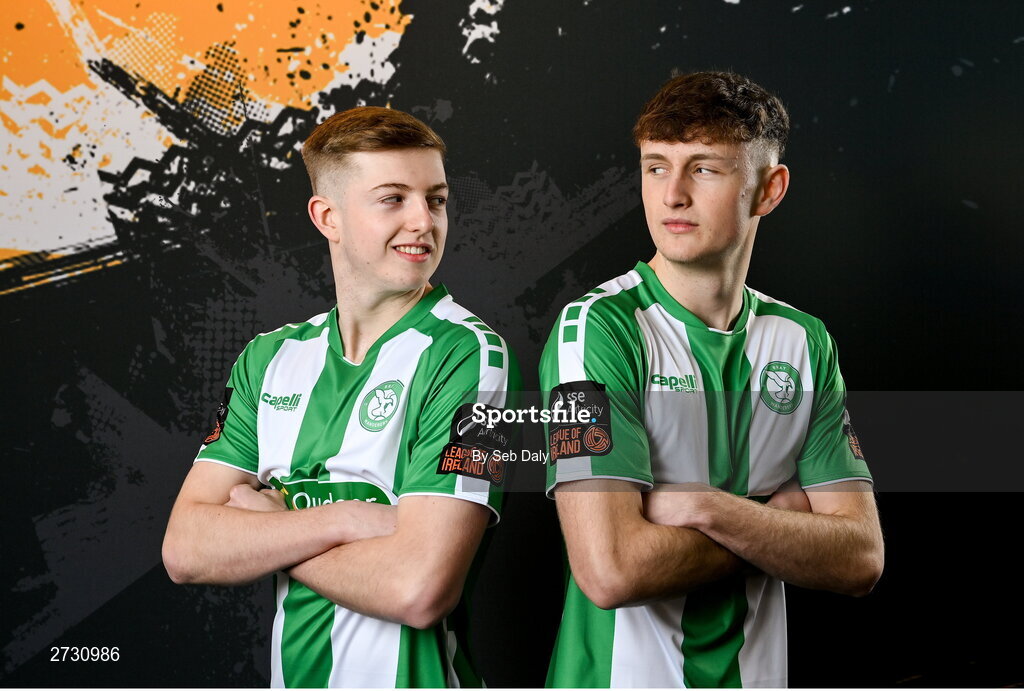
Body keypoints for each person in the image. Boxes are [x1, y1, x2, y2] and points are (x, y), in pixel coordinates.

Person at [540, 72, 884, 687]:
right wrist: (779, 521)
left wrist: (703, 506)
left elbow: (859, 558)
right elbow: (611, 569)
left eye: (704, 169)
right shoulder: (595, 331)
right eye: (655, 167)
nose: (671, 195)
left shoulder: (803, 341)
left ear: (768, 190)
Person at [162, 106, 519, 688]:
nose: (423, 221)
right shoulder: (269, 359)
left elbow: (419, 588)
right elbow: (187, 548)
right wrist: (349, 519)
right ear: (327, 216)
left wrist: (275, 530)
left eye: (435, 199)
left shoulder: (469, 355)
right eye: (392, 199)